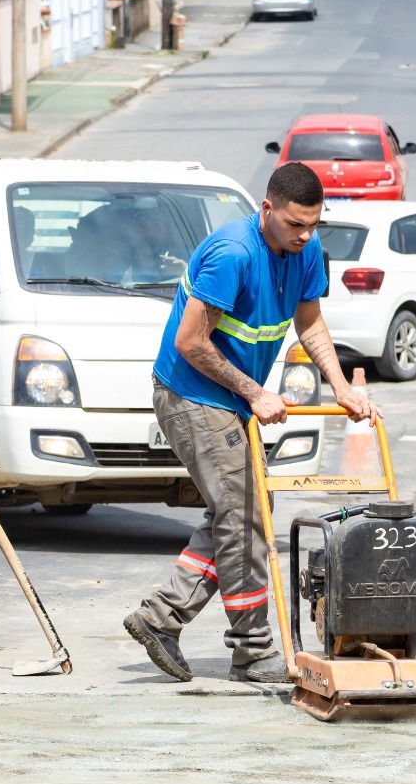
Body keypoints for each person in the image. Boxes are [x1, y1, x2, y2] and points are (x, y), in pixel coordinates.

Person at [123, 162, 379, 684]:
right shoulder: (233, 254)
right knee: (244, 519)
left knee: (241, 512)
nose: (305, 235)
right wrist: (257, 392)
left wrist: (342, 386)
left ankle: (160, 618)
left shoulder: (305, 252)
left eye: (314, 225)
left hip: (231, 401)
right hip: (191, 393)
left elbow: (309, 323)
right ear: (266, 210)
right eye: (294, 225)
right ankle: (253, 650)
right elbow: (190, 343)